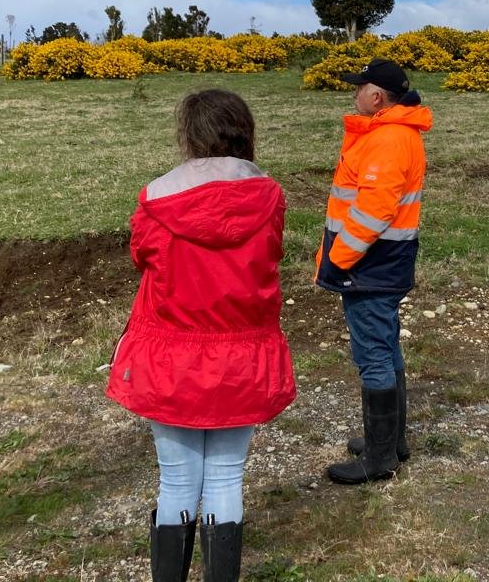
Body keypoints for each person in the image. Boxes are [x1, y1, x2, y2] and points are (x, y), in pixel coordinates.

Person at [107, 88, 295, 582]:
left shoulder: (157, 200)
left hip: (171, 355)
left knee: (177, 480)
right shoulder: (269, 197)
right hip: (242, 354)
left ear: (188, 137)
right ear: (244, 132)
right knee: (226, 477)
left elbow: (141, 256)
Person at [317, 58, 432, 485]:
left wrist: (339, 259)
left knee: (374, 355)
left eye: (359, 87)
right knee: (385, 346)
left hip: (371, 264)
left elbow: (374, 210)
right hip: (383, 261)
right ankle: (391, 442)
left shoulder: (388, 139)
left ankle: (380, 458)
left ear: (377, 97)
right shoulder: (396, 133)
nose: (355, 93)